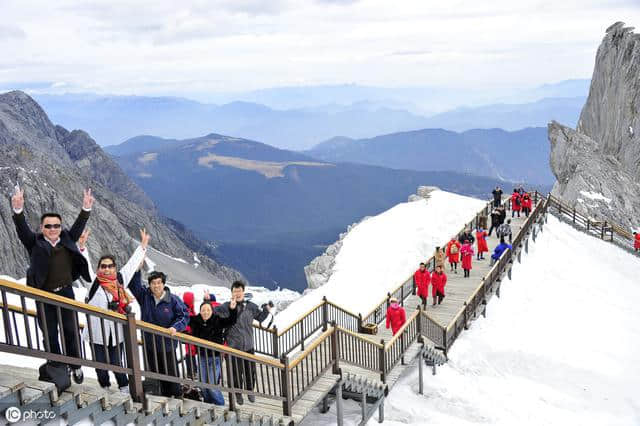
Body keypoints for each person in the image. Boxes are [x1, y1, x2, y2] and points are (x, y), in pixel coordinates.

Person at [11, 185, 94, 384]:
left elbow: (77, 227)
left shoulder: (66, 238)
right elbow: (22, 231)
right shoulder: (35, 242)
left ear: (60, 227)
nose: (52, 229)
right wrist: (18, 211)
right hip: (44, 295)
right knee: (49, 334)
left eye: (56, 226)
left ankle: (75, 366)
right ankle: (57, 367)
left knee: (71, 330)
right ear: (42, 228)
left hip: (65, 292)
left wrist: (86, 209)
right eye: (48, 226)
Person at [80, 228, 148, 393]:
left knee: (118, 363)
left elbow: (131, 265)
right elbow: (85, 266)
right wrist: (82, 247)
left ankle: (124, 387)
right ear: (99, 268)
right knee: (100, 365)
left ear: (115, 268)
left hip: (115, 332)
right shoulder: (93, 283)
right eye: (103, 266)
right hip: (96, 333)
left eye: (110, 266)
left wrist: (143, 246)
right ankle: (105, 386)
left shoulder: (120, 280)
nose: (107, 269)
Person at [128, 265, 189, 398]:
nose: (156, 286)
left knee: (171, 374)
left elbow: (184, 315)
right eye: (153, 283)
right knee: (155, 373)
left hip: (167, 344)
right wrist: (138, 268)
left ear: (163, 284)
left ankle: (177, 398)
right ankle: (161, 398)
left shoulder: (172, 300)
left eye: (159, 283)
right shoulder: (145, 297)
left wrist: (175, 327)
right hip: (150, 344)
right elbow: (133, 285)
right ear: (149, 285)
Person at [216, 281, 271, 405]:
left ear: (243, 292)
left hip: (248, 346)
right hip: (233, 347)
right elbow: (213, 313)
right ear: (232, 293)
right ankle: (238, 393)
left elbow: (260, 317)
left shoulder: (250, 306)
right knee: (236, 372)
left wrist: (266, 310)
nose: (237, 293)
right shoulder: (226, 306)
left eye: (239, 291)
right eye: (235, 291)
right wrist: (207, 300)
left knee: (250, 370)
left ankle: (250, 391)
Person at [190, 291, 238, 405]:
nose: (206, 312)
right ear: (200, 311)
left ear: (212, 311)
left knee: (211, 385)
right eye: (203, 310)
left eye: (208, 310)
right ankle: (208, 405)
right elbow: (185, 318)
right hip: (202, 357)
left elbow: (231, 320)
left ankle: (221, 406)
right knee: (202, 384)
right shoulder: (196, 321)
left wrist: (232, 308)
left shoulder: (217, 320)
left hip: (215, 357)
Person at [182, 291, 199, 379]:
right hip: (189, 335)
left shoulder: (187, 308)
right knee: (190, 352)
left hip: (190, 336)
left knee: (190, 352)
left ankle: (192, 371)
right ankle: (192, 372)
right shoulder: (186, 310)